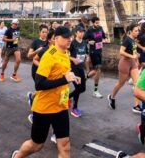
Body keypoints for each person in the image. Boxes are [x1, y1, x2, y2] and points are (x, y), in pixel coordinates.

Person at [11, 26, 77, 158]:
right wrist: (64, 80)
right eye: (66, 37)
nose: (69, 39)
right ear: (57, 39)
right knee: (37, 145)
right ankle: (17, 156)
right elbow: (39, 84)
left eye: (70, 37)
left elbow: (60, 73)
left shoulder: (65, 53)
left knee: (65, 145)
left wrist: (72, 76)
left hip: (61, 106)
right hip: (44, 109)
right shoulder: (49, 56)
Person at [108, 23, 141, 113]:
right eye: (136, 31)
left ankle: (136, 106)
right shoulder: (127, 40)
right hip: (125, 63)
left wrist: (136, 56)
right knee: (120, 84)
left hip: (133, 63)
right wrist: (132, 56)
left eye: (138, 30)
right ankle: (112, 97)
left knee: (137, 84)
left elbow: (133, 52)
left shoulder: (134, 40)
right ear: (130, 31)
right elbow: (121, 52)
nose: (138, 32)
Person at [68, 25, 87, 118]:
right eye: (80, 31)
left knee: (83, 88)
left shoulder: (83, 42)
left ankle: (67, 98)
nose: (82, 33)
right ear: (76, 32)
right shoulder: (72, 43)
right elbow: (65, 54)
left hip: (80, 67)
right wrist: (73, 59)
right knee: (79, 87)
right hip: (73, 67)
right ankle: (74, 108)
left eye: (83, 31)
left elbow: (84, 53)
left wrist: (86, 58)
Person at [84, 16, 105, 98]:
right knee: (98, 69)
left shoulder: (100, 28)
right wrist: (89, 41)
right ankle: (95, 91)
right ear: (92, 23)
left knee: (97, 71)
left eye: (98, 22)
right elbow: (83, 39)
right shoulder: (89, 30)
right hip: (93, 52)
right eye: (96, 23)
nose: (98, 24)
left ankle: (85, 77)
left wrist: (105, 39)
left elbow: (103, 36)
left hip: (99, 51)